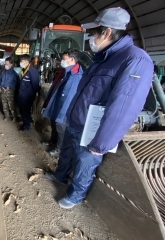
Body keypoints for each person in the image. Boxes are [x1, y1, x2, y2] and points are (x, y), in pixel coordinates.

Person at [45, 7, 154, 209]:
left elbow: (123, 107)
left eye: (94, 33)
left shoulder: (135, 60)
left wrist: (101, 144)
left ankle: (75, 196)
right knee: (67, 152)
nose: (90, 38)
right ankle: (60, 176)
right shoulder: (103, 58)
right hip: (76, 120)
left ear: (107, 32)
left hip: (92, 129)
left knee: (86, 162)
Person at [42, 49, 83, 156]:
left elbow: (69, 98)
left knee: (60, 127)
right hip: (56, 103)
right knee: (53, 124)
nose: (61, 61)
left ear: (72, 59)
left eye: (64, 59)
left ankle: (59, 148)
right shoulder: (64, 72)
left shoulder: (76, 76)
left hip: (64, 108)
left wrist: (62, 115)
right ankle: (53, 141)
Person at [18, 54, 40, 132]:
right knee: (21, 110)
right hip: (22, 94)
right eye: (21, 61)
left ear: (27, 62)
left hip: (27, 96)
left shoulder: (32, 71)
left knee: (25, 111)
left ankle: (26, 126)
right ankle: (26, 122)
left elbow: (35, 84)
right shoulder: (24, 70)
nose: (21, 62)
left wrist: (33, 95)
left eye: (22, 61)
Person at [0, 57, 20, 121]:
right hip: (3, 90)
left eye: (7, 64)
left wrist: (9, 87)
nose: (6, 65)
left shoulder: (14, 74)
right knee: (4, 104)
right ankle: (6, 116)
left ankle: (14, 117)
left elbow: (17, 83)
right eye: (5, 64)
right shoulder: (3, 73)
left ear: (11, 64)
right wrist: (1, 86)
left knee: (11, 105)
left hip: (10, 91)